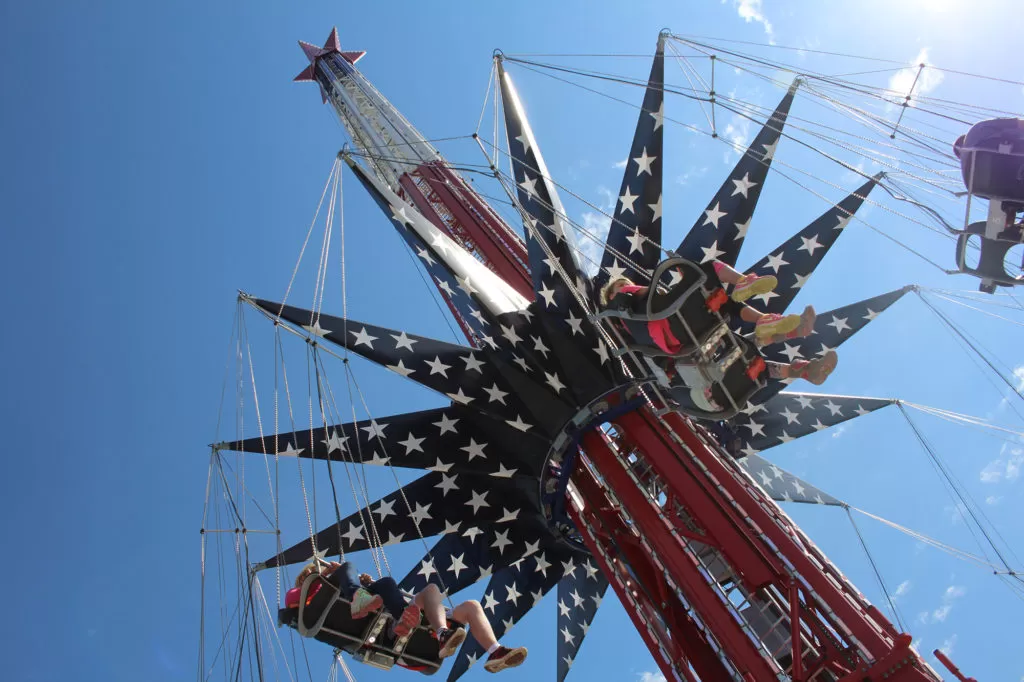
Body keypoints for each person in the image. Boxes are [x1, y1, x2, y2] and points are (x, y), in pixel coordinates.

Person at [289, 561, 527, 673]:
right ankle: (434, 630)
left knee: (464, 603)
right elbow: (293, 603)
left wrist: (365, 584)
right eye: (314, 572)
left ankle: (494, 651)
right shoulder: (305, 593)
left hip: (413, 628)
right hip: (391, 638)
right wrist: (334, 573)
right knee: (353, 568)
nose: (319, 572)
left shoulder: (346, 586)